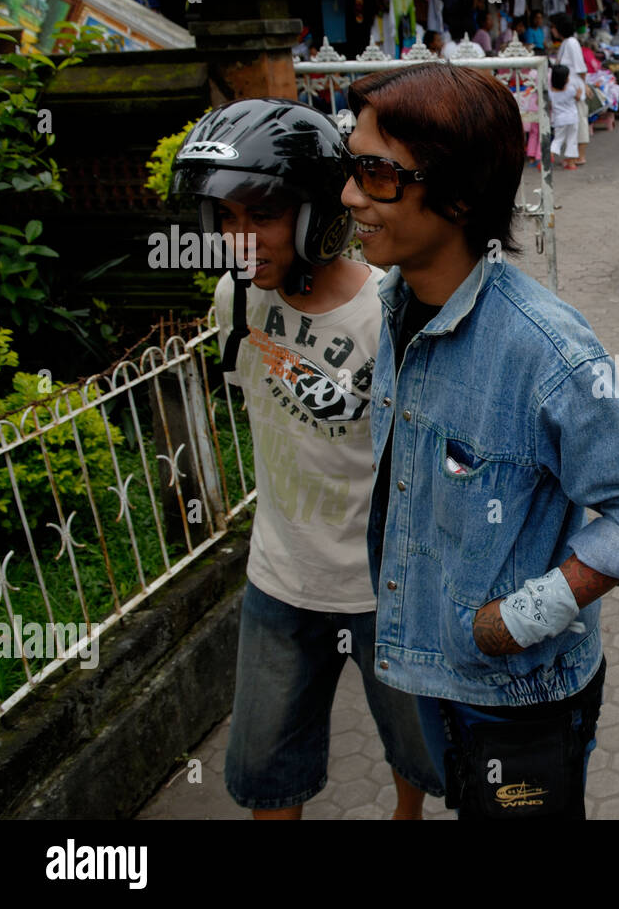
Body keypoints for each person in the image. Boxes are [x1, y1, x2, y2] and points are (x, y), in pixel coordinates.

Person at [339, 62, 619, 820]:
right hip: (432, 669)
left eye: (378, 175)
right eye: (351, 165)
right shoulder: (398, 306)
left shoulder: (545, 352)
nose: (350, 195)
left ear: (460, 197)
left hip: (519, 694)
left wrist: (518, 619)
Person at [170, 99, 442, 820]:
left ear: (318, 212)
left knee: (415, 748)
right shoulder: (233, 303)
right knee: (265, 772)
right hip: (280, 579)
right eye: (225, 219)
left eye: (259, 215)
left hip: (385, 589)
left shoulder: (390, 314)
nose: (240, 240)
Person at [550, 12, 589, 166]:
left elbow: (580, 68)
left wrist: (584, 85)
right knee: (572, 125)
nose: (552, 30)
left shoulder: (572, 43)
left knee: (578, 123)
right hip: (568, 90)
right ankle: (573, 156)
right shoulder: (566, 43)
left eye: (553, 27)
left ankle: (580, 155)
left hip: (574, 90)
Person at [550, 63, 583, 170]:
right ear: (565, 79)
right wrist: (579, 92)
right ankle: (571, 163)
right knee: (572, 140)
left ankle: (549, 157)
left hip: (559, 119)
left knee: (558, 139)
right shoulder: (571, 90)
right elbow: (578, 98)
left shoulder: (550, 92)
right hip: (573, 118)